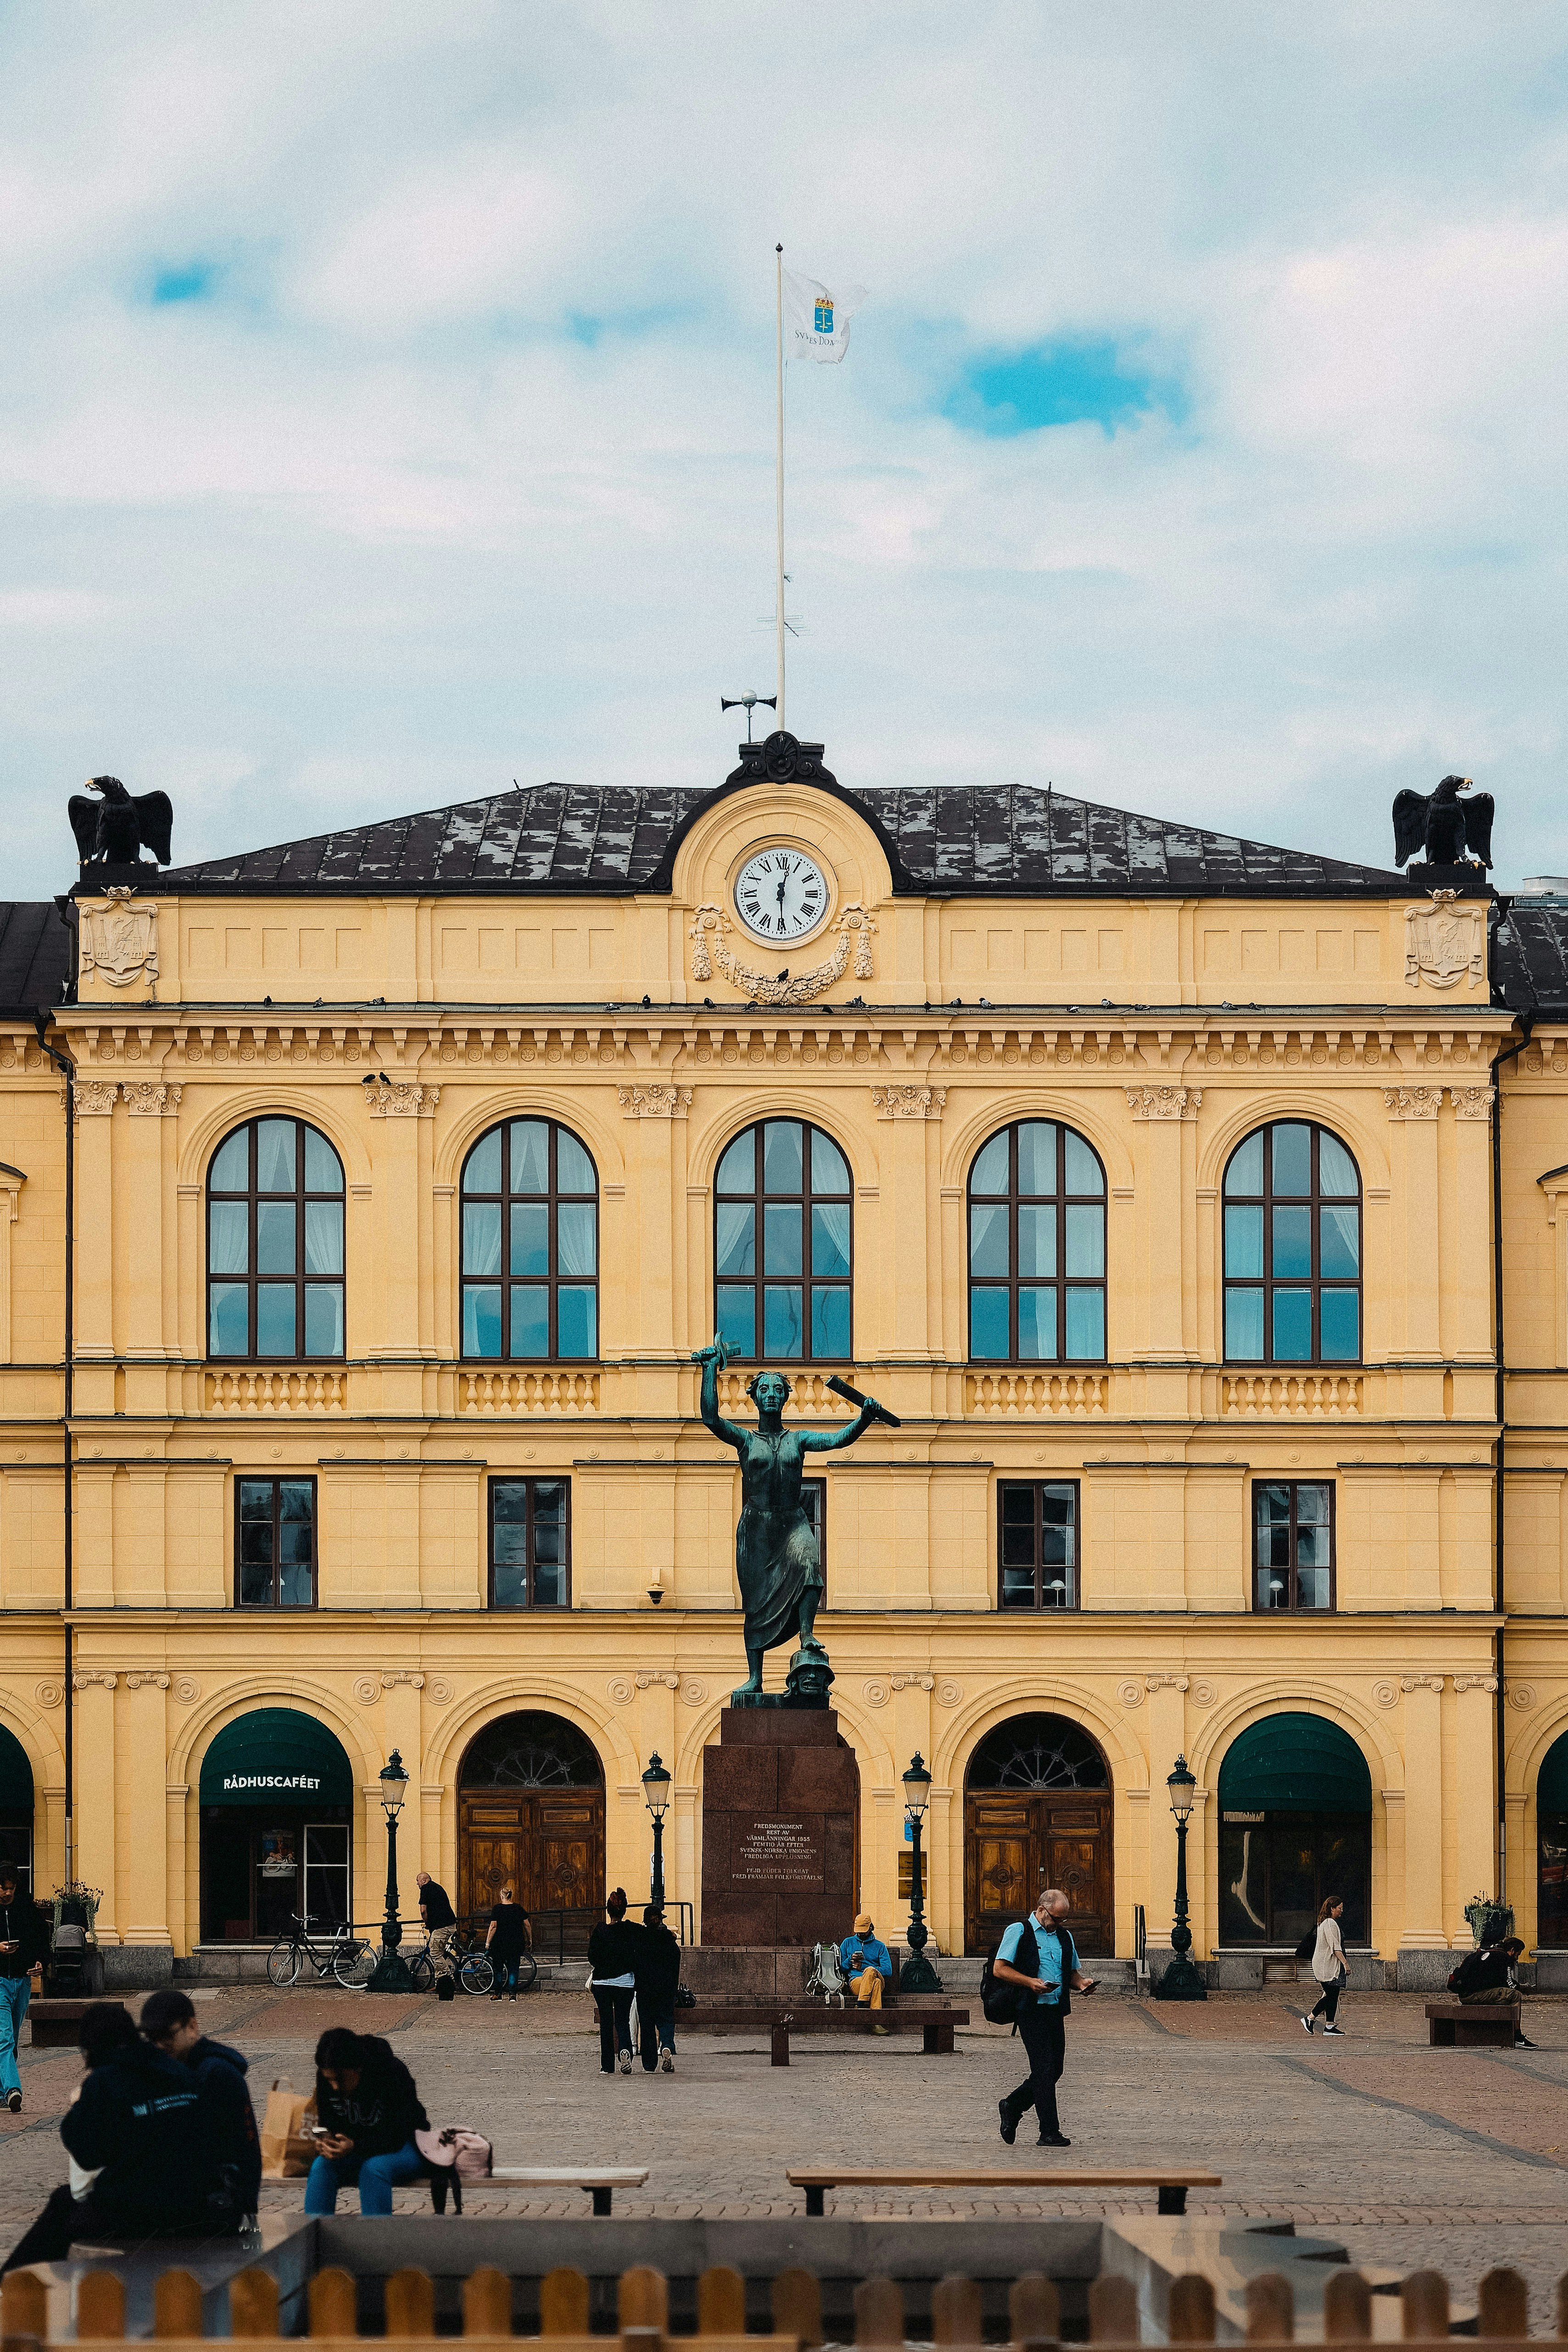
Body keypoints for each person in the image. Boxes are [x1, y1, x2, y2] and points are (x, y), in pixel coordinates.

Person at [1, 2001, 241, 2273]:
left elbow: (87, 2154)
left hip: (146, 2211)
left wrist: (82, 2104)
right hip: (200, 2202)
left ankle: (12, 2283)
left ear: (89, 2049)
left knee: (63, 2204)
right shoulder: (175, 2067)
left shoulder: (105, 2081)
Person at [140, 1988, 262, 2216]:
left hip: (219, 2200)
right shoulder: (164, 2069)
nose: (159, 2045)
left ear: (192, 2027)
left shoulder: (217, 2074)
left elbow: (243, 2154)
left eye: (167, 2035)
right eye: (152, 2037)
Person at [994, 1886, 1095, 2148]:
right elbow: (1000, 1969)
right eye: (1056, 1918)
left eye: (1064, 1920)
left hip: (1055, 2009)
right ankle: (1049, 2132)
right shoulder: (1019, 1931)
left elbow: (1070, 1973)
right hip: (1030, 2010)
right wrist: (1029, 1982)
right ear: (1041, 1911)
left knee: (1055, 2069)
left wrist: (1082, 1983)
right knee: (1044, 2070)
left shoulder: (1064, 1936)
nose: (1060, 1924)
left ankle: (1012, 2106)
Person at [303, 2027, 428, 2216]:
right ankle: (314, 2237)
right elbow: (330, 2122)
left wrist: (355, 2146)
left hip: (407, 2145)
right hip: (357, 2149)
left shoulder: (390, 2072)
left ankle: (375, 2241)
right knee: (322, 2167)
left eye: (341, 2079)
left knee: (374, 2170)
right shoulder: (326, 2076)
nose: (335, 2087)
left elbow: (398, 2134)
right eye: (329, 2080)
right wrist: (328, 2142)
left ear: (358, 2068)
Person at [0, 1866, 50, 2115]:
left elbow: (42, 1935)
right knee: (5, 2038)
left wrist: (41, 1961)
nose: (8, 1893)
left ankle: (1, 2091)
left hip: (22, 1981)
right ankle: (12, 2090)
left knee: (13, 2039)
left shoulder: (25, 1906)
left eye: (12, 1888)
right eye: (3, 1888)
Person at [587, 1888, 639, 2075]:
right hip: (625, 1982)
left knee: (606, 2024)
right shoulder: (630, 1929)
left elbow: (592, 1957)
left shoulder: (600, 1931)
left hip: (602, 1983)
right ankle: (625, 2050)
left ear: (609, 1911)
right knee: (623, 2021)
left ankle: (607, 2066)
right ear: (624, 1910)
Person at [1452, 1934, 1534, 2046]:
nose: (1517, 1958)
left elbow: (1500, 1981)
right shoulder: (1504, 1958)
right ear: (1512, 1950)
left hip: (1466, 1994)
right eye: (1518, 1954)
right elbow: (1510, 1984)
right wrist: (1524, 1988)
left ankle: (1504, 2032)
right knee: (1515, 1996)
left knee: (1504, 1994)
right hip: (1473, 1995)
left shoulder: (1491, 1952)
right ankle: (1517, 2035)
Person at [633, 1903, 681, 2074]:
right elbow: (676, 1966)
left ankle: (649, 2064)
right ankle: (667, 2046)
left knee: (647, 2025)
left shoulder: (640, 1942)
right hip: (666, 1990)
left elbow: (635, 1965)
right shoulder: (669, 1942)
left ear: (645, 1922)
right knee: (667, 2021)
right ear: (661, 1920)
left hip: (645, 1990)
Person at [1300, 1896, 1348, 2035]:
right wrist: (1346, 1964)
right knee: (1331, 1995)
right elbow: (1335, 1947)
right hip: (1327, 1966)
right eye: (1340, 1908)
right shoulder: (1330, 1924)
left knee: (1332, 1994)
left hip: (1327, 1964)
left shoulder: (1324, 1922)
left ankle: (1329, 2026)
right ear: (1332, 1908)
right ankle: (1310, 2018)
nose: (1342, 1911)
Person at [839, 1913, 893, 2033]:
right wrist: (850, 1961)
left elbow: (888, 1970)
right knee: (877, 1983)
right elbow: (840, 1967)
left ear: (871, 1927)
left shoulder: (880, 1946)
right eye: (859, 1931)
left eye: (864, 1931)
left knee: (871, 1971)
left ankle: (861, 2004)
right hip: (856, 1981)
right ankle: (877, 2023)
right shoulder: (848, 1943)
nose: (861, 1934)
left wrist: (864, 1967)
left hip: (874, 1975)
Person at [484, 1884, 531, 2001]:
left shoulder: (497, 1909)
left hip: (499, 1944)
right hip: (515, 1943)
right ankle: (512, 1995)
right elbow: (527, 1924)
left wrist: (488, 1941)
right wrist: (530, 1938)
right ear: (511, 1895)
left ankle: (498, 1994)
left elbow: (493, 1927)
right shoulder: (518, 1908)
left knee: (498, 1969)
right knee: (513, 1969)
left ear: (502, 1895)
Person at [416, 1870, 459, 1983]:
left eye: (418, 1881)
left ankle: (449, 1981)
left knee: (435, 1953)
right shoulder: (438, 1887)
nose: (418, 1884)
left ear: (424, 1880)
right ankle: (439, 1982)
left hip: (442, 1926)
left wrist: (427, 1923)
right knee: (439, 1953)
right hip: (448, 1923)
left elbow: (423, 1911)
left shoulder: (425, 1889)